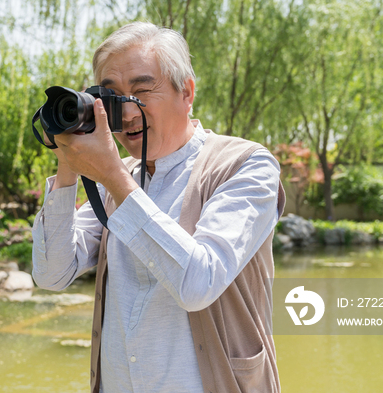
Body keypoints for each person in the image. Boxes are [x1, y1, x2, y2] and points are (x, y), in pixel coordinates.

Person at [31, 22, 286, 393]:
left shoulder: (246, 165)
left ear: (186, 92)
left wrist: (114, 177)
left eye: (141, 91)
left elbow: (199, 282)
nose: (127, 112)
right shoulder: (120, 178)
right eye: (112, 96)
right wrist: (68, 164)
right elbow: (51, 275)